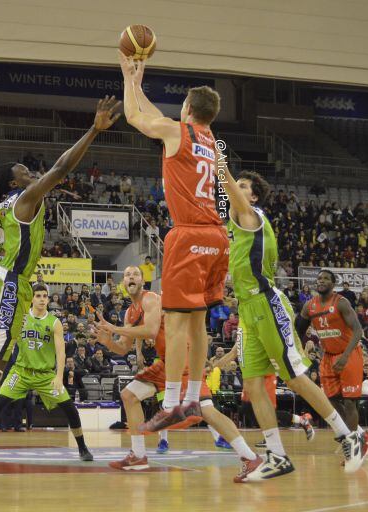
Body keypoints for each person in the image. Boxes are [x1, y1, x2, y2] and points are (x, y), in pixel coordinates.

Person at [0, 96, 122, 472]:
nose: (32, 173)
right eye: (25, 170)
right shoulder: (24, 200)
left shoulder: (0, 207)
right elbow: (60, 167)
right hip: (9, 284)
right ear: (14, 181)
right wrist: (94, 129)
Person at [219, 164, 368, 475]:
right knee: (253, 384)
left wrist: (214, 156)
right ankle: (276, 456)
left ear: (254, 196)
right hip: (247, 309)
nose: (238, 189)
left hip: (268, 304)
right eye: (239, 185)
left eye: (244, 186)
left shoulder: (251, 217)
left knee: (294, 377)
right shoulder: (234, 225)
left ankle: (350, 436)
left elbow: (227, 186)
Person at [119, 54, 228, 433]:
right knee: (198, 325)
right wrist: (138, 84)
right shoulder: (211, 141)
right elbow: (151, 113)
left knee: (176, 321)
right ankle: (193, 397)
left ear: (187, 108)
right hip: (218, 237)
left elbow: (135, 116)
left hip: (190, 232)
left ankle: (169, 404)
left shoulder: (176, 132)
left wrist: (127, 76)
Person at [96, 266, 262, 482]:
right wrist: (108, 341)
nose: (131, 277)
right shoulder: (130, 312)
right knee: (129, 395)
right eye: (127, 275)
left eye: (135, 274)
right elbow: (123, 348)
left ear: (142, 281)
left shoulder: (150, 299)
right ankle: (138, 456)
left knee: (208, 412)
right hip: (167, 362)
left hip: (183, 359)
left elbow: (151, 331)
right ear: (123, 283)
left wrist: (115, 329)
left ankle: (249, 457)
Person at [0, 284, 94, 463]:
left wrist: (58, 376)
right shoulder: (21, 319)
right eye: (38, 295)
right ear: (32, 299)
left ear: (48, 299)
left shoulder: (54, 322)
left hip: (45, 374)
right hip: (21, 371)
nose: (41, 299)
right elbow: (6, 339)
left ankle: (82, 448)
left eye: (44, 296)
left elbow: (61, 352)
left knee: (70, 408)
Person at [297, 269, 368, 464]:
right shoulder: (309, 306)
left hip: (348, 354)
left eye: (325, 279)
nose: (321, 281)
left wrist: (346, 356)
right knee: (331, 402)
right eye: (319, 278)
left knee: (349, 402)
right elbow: (298, 330)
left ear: (333, 283)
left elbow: (358, 330)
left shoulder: (341, 302)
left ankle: (354, 445)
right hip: (327, 357)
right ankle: (362, 436)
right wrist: (300, 348)